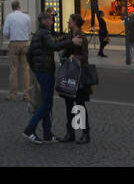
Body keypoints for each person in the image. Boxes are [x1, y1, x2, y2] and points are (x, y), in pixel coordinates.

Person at [23, 9, 70, 144]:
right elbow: (53, 46)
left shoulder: (39, 33)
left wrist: (34, 68)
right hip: (45, 70)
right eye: (49, 19)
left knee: (46, 102)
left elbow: (29, 53)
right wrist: (69, 42)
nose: (52, 21)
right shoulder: (44, 33)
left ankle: (47, 133)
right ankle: (29, 129)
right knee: (46, 104)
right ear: (43, 21)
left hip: (41, 70)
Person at [59, 14, 93, 144]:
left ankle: (85, 133)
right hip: (69, 73)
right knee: (68, 104)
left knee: (79, 105)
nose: (68, 22)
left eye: (70, 20)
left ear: (75, 23)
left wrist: (74, 57)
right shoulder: (70, 36)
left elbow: (85, 56)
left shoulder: (82, 37)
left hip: (79, 74)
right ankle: (70, 133)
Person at [2, 0, 32, 103]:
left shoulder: (9, 17)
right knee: (25, 69)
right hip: (25, 43)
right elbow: (29, 31)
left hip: (14, 43)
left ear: (12, 7)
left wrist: (11, 36)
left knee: (14, 69)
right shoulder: (26, 17)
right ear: (19, 6)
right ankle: (26, 94)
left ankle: (13, 94)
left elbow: (5, 32)